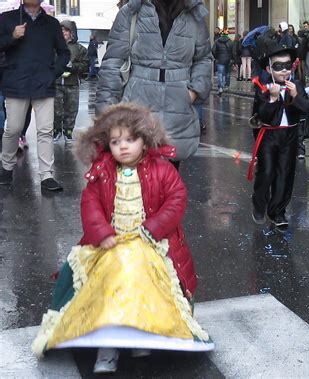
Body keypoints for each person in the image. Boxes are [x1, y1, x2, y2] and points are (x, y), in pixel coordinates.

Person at [31, 103, 214, 374]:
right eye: (116, 142)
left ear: (145, 139)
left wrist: (154, 228)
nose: (123, 147)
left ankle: (142, 335)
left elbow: (176, 199)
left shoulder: (162, 169)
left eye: (130, 139)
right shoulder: (103, 171)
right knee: (108, 288)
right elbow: (90, 203)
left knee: (145, 284)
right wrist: (102, 232)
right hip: (112, 243)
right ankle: (108, 348)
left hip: (147, 242)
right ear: (107, 144)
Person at [96, 0, 212, 168]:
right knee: (134, 188)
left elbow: (203, 59)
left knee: (169, 185)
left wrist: (193, 93)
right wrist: (105, 116)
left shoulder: (194, 14)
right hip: (136, 115)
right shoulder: (132, 12)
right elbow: (112, 64)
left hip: (177, 114)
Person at [0, 0, 70, 191]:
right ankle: (7, 166)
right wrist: (12, 37)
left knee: (45, 130)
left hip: (44, 84)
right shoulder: (7, 19)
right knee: (13, 129)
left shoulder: (51, 24)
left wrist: (53, 72)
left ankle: (46, 175)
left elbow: (64, 52)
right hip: (16, 82)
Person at [248, 40, 309, 227]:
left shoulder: (296, 85)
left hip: (290, 135)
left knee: (285, 173)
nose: (284, 70)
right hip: (268, 135)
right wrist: (273, 98)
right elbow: (261, 115)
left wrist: (295, 97)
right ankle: (259, 205)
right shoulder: (262, 86)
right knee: (266, 172)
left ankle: (278, 211)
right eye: (278, 66)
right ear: (269, 69)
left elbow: (307, 108)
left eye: (287, 66)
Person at [54, 20, 89, 143]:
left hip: (72, 84)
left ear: (72, 32)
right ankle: (56, 131)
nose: (63, 32)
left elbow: (85, 66)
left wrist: (72, 66)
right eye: (61, 30)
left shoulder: (80, 49)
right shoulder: (54, 47)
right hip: (56, 83)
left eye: (66, 30)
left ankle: (68, 132)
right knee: (56, 109)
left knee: (71, 109)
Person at [212, 29, 233, 95]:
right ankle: (227, 85)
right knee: (228, 73)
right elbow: (233, 52)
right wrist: (232, 59)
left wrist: (216, 57)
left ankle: (220, 87)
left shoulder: (217, 41)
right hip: (228, 60)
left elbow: (213, 50)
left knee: (220, 74)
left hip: (220, 60)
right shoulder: (230, 42)